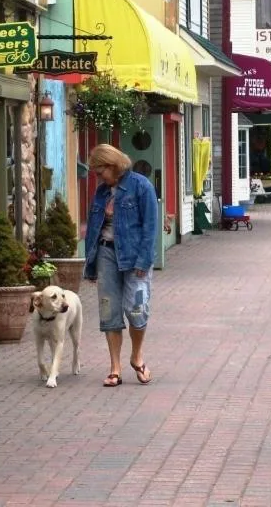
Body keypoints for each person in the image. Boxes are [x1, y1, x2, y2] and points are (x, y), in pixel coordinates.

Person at [84, 144, 158, 387]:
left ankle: (137, 356)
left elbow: (150, 227)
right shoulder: (101, 192)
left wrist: (144, 260)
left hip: (135, 257)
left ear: (113, 165)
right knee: (109, 310)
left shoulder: (141, 186)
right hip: (106, 254)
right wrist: (91, 264)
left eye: (100, 172)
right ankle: (115, 368)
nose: (98, 178)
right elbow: (93, 228)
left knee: (137, 309)